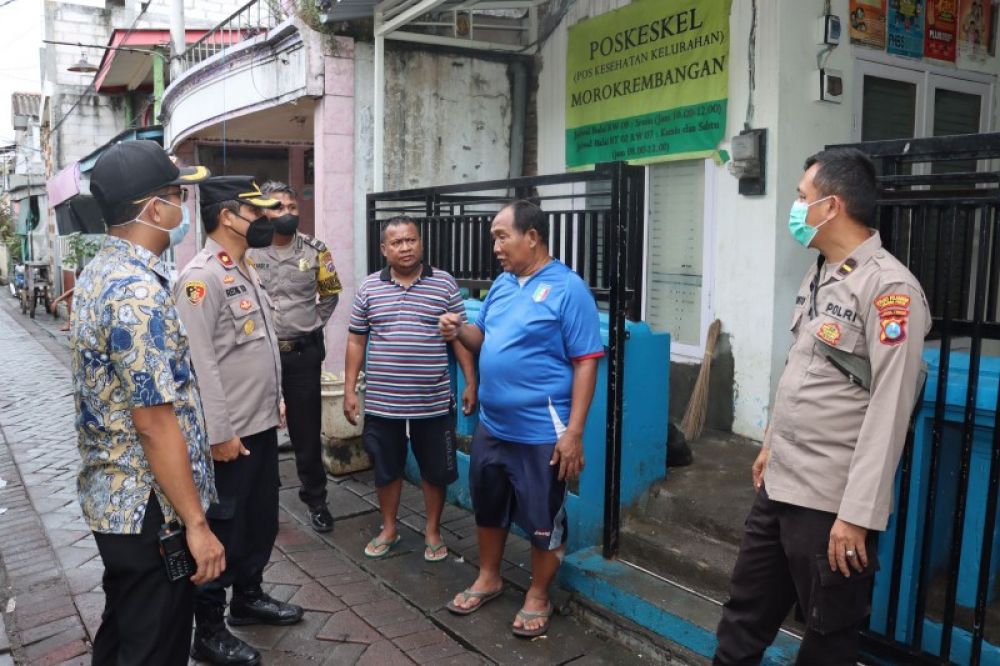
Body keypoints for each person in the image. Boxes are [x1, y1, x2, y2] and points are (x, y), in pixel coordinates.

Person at [713, 148, 931, 665]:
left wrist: (857, 516)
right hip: (781, 483)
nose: (795, 207)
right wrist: (769, 445)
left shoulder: (889, 288)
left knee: (827, 636)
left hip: (831, 501)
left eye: (801, 197)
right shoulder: (823, 272)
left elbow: (890, 409)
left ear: (831, 206)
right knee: (744, 613)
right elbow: (803, 369)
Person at [71, 140, 224, 665]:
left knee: (123, 633)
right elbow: (156, 423)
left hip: (115, 500)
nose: (184, 209)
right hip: (150, 511)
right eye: (177, 195)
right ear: (155, 208)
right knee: (154, 645)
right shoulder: (136, 291)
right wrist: (197, 526)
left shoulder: (99, 271)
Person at [439, 200, 603, 637]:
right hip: (493, 424)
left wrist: (574, 433)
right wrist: (459, 330)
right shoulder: (503, 285)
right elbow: (483, 337)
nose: (495, 245)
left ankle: (537, 594)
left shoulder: (569, 289)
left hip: (540, 431)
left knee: (542, 517)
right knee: (488, 507)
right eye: (494, 237)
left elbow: (587, 361)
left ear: (532, 237)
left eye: (501, 236)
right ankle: (489, 577)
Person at [174, 177, 302, 666]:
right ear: (228, 216)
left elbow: (257, 346)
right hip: (229, 435)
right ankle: (207, 631)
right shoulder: (200, 277)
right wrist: (218, 432)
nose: (268, 219)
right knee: (222, 528)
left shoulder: (244, 267)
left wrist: (276, 401)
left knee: (257, 519)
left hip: (260, 423)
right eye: (259, 211)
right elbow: (200, 364)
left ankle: (248, 599)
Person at [344, 216, 477, 562]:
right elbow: (357, 340)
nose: (406, 247)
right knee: (386, 468)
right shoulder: (369, 288)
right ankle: (389, 527)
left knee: (436, 470)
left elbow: (460, 338)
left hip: (432, 401)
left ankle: (433, 530)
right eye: (397, 242)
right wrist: (349, 390)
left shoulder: (444, 284)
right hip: (383, 403)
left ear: (420, 243)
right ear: (384, 249)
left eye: (411, 240)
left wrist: (470, 381)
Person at [247, 181, 341, 533]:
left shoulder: (316, 250)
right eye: (277, 207)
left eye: (291, 207)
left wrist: (313, 322)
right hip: (258, 355)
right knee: (257, 428)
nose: (286, 213)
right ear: (263, 212)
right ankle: (262, 498)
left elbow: (331, 293)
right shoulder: (248, 251)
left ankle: (316, 499)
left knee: (306, 431)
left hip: (302, 354)